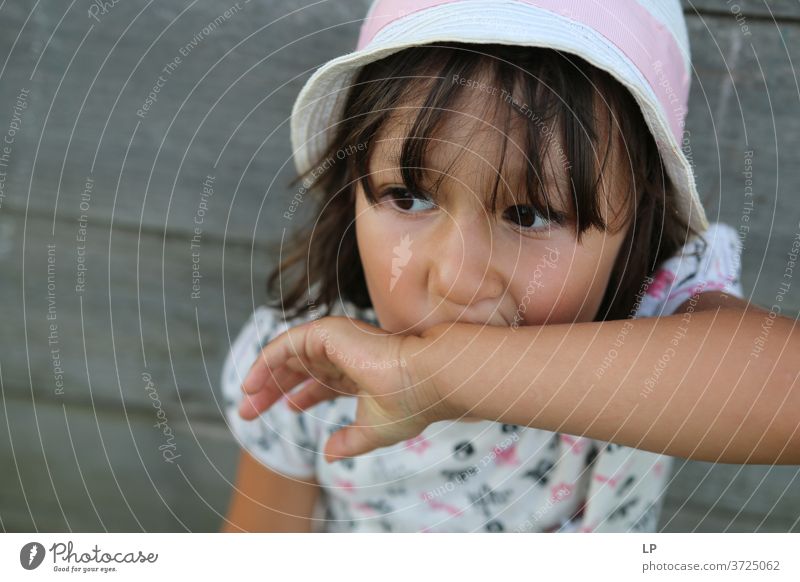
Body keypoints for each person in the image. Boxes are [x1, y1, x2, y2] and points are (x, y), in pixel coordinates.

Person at [220, 0, 799, 533]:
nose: (456, 276)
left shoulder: (654, 329)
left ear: (637, 233)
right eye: (408, 197)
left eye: (528, 213)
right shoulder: (308, 365)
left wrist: (433, 377)